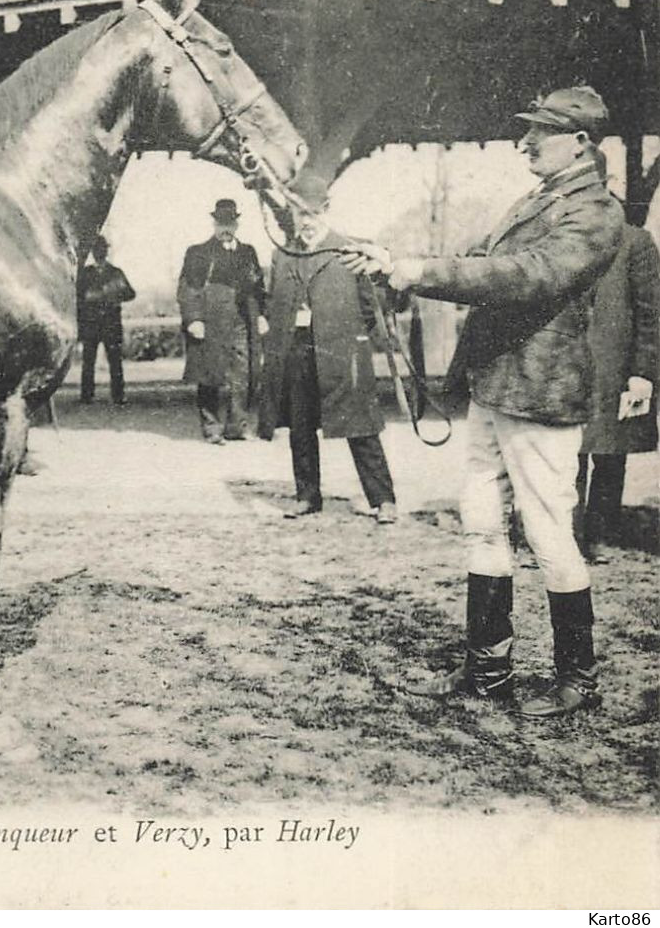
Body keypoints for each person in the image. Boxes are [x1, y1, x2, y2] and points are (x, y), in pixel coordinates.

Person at [341, 85, 624, 718]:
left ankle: (579, 680)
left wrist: (414, 268)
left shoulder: (597, 213)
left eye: (540, 132)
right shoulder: (538, 200)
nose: (524, 142)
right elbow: (478, 262)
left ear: (580, 142)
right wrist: (393, 261)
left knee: (550, 533)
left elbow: (527, 276)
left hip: (541, 394)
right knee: (482, 524)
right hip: (497, 385)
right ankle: (488, 671)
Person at [262, 218, 397, 522]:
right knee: (300, 425)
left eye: (310, 214)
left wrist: (348, 336)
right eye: (297, 215)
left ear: (324, 210)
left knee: (360, 423)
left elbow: (371, 306)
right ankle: (307, 496)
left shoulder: (348, 249)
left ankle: (383, 500)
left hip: (342, 349)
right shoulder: (283, 254)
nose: (304, 222)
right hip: (296, 349)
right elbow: (274, 302)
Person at [576, 221, 658, 561]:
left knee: (610, 455)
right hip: (568, 367)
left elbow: (652, 314)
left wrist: (642, 371)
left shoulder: (635, 243)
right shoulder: (563, 237)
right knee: (565, 456)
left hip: (615, 371)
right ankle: (567, 535)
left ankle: (600, 533)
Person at [178, 198, 268, 442]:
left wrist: (261, 315)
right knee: (210, 373)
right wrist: (194, 319)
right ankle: (212, 428)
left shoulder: (248, 252)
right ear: (214, 223)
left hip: (242, 320)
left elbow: (259, 287)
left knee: (243, 373)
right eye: (221, 223)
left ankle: (237, 426)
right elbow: (188, 288)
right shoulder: (197, 253)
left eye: (230, 223)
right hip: (211, 319)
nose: (225, 228)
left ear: (237, 224)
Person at [77, 236, 136, 405]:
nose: (99, 252)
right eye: (96, 249)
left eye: (102, 249)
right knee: (88, 361)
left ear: (106, 251)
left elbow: (131, 293)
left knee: (115, 361)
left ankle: (118, 395)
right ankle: (86, 395)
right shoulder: (85, 274)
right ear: (93, 252)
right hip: (91, 323)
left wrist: (116, 293)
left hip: (111, 323)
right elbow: (78, 297)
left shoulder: (115, 273)